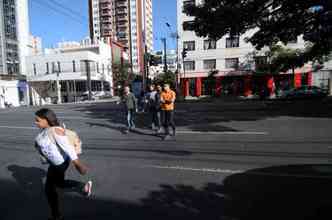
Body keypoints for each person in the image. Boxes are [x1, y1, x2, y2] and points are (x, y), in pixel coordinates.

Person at [34, 108, 92, 220]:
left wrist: (78, 164)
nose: (36, 122)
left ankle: (56, 216)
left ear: (47, 120)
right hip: (55, 164)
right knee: (58, 184)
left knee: (50, 189)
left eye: (38, 120)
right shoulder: (45, 131)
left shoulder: (55, 130)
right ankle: (83, 186)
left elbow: (68, 148)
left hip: (60, 164)